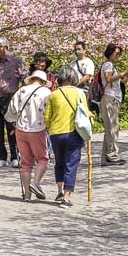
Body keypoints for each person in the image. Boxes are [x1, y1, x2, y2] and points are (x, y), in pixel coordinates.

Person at [46, 66, 88, 208]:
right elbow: (85, 113)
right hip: (73, 134)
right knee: (71, 164)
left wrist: (50, 127)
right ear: (72, 78)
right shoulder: (80, 93)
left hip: (56, 134)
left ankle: (59, 190)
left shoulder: (53, 94)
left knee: (59, 163)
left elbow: (47, 117)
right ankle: (66, 196)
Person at [9, 69, 52, 201]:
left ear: (31, 79)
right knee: (43, 159)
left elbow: (11, 110)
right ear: (43, 81)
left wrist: (14, 122)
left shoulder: (21, 91)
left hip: (20, 129)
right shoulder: (46, 92)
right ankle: (36, 183)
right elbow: (48, 111)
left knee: (26, 163)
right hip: (37, 129)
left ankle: (27, 194)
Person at [0, 38, 26, 168]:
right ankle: (1, 157)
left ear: (6, 47)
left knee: (12, 128)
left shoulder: (16, 61)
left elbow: (24, 78)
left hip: (11, 98)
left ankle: (15, 156)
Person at [99, 43, 128, 165]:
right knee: (112, 128)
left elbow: (118, 82)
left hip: (113, 98)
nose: (118, 55)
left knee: (111, 128)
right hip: (110, 98)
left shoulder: (111, 65)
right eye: (116, 53)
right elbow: (108, 78)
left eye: (119, 54)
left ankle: (106, 157)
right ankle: (112, 155)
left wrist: (125, 77)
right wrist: (121, 75)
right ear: (110, 53)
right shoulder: (108, 64)